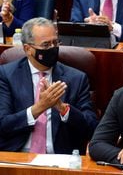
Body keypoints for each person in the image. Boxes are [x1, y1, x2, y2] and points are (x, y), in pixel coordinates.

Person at [0, 17, 98, 154]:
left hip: (60, 158)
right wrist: (39, 107)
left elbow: (91, 128)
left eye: (55, 42)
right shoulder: (6, 75)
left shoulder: (76, 78)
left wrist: (63, 109)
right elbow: (2, 123)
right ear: (28, 49)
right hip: (18, 155)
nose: (52, 48)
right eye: (46, 45)